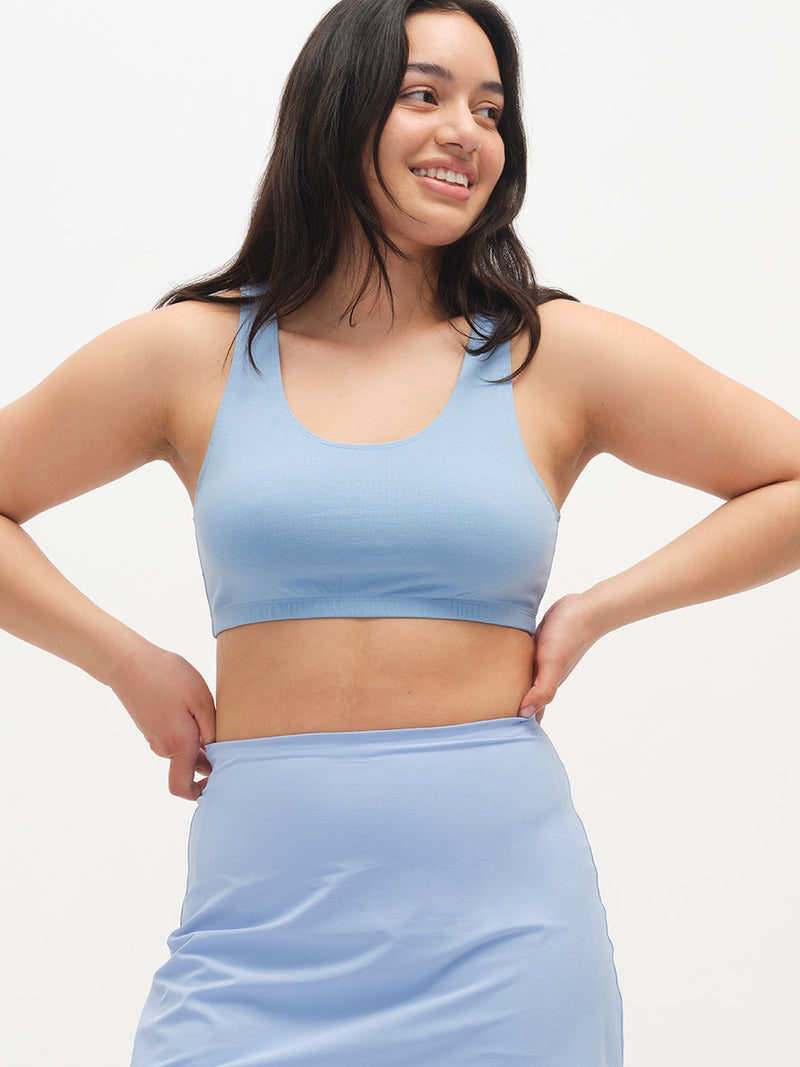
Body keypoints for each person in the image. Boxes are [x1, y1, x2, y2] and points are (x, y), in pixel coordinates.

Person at [1, 0, 798, 1063]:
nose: (465, 131)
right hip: (255, 937)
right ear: (335, 113)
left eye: (489, 108)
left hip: (504, 943)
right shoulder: (186, 354)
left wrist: (599, 607)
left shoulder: (547, 351)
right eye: (423, 94)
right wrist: (123, 660)